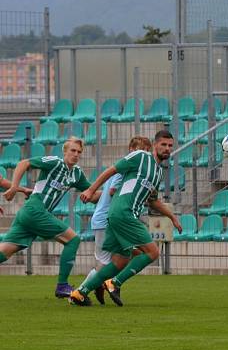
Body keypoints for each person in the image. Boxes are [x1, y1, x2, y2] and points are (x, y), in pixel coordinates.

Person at [69, 130, 182, 306]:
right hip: (124, 212)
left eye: (170, 146)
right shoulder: (141, 156)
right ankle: (115, 283)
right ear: (155, 145)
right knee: (152, 252)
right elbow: (111, 170)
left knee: (120, 260)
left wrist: (173, 218)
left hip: (117, 215)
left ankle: (80, 292)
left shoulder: (158, 173)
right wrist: (91, 189)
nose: (167, 149)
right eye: (163, 145)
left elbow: (153, 201)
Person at [0, 137, 94, 297]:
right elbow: (24, 163)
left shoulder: (77, 174)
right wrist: (15, 187)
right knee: (73, 240)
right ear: (64, 151)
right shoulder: (55, 162)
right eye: (72, 150)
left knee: (5, 252)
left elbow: (92, 193)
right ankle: (62, 286)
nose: (76, 154)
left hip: (31, 214)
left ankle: (63, 286)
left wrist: (113, 192)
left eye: (79, 152)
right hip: (35, 210)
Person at [76, 136, 152, 304]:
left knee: (129, 256)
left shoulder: (126, 169)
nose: (144, 154)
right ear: (131, 150)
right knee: (106, 262)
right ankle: (80, 292)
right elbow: (112, 191)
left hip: (106, 219)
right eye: (141, 150)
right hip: (106, 220)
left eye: (147, 151)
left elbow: (104, 194)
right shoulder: (125, 171)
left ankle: (99, 286)